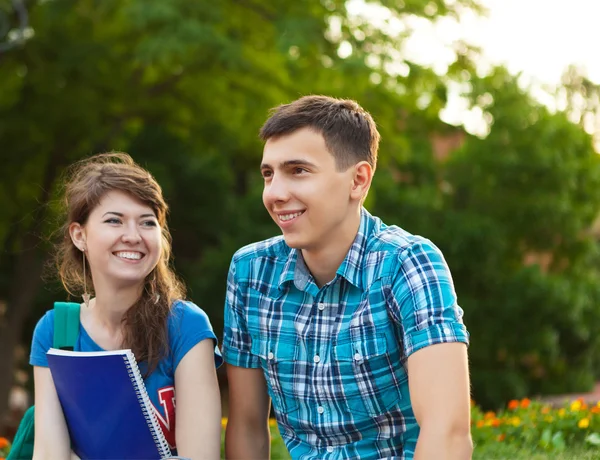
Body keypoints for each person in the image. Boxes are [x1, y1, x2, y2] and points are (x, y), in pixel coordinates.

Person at [223, 96, 472, 459]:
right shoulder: (250, 271)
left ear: (358, 180)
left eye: (298, 171)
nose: (274, 193)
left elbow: (446, 433)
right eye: (268, 173)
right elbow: (246, 426)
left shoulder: (409, 264)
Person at [30, 153, 222, 460]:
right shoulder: (56, 331)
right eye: (114, 220)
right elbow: (50, 453)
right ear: (80, 235)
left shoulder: (185, 325)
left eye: (147, 222)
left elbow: (200, 456)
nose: (133, 236)